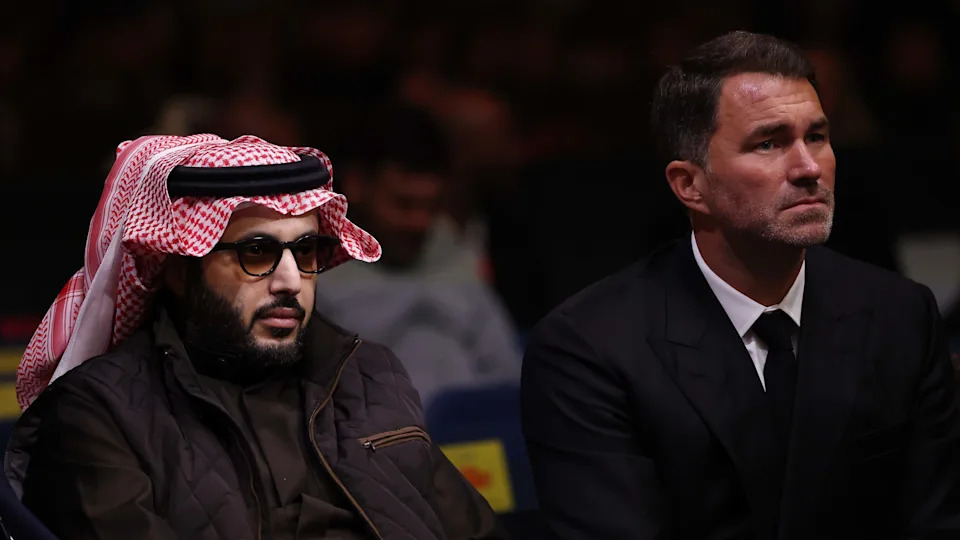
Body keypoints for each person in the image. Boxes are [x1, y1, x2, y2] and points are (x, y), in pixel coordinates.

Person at [520, 30, 960, 539]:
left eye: (816, 136)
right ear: (690, 185)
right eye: (769, 143)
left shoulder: (899, 313)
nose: (809, 168)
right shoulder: (590, 349)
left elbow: (937, 524)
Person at [6, 134, 506, 539]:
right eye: (257, 253)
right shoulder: (97, 414)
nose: (291, 281)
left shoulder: (366, 375)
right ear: (181, 270)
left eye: (305, 251)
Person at [315, 103, 522, 409]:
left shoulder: (457, 259)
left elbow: (509, 377)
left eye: (431, 206)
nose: (421, 222)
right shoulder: (313, 276)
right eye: (404, 204)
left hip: (474, 446)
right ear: (357, 186)